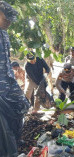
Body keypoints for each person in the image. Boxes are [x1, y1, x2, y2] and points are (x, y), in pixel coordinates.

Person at [0, 2, 29, 156]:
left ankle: (15, 136)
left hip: (9, 82)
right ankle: (9, 150)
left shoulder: (4, 33)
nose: (9, 23)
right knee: (3, 127)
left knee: (24, 105)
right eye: (6, 19)